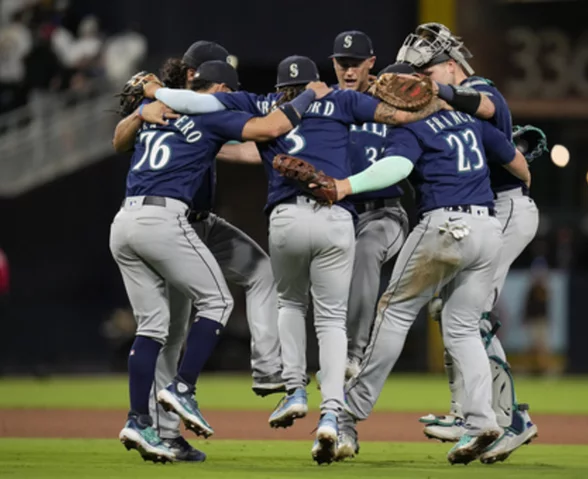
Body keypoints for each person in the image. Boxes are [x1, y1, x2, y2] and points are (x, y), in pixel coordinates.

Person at [153, 54, 444, 464]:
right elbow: (398, 115)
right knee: (330, 319)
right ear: (317, 81)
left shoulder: (265, 104)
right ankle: (331, 413)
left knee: (290, 303)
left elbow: (201, 104)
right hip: (336, 217)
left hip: (287, 218)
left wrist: (155, 92)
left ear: (281, 87)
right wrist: (439, 101)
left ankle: (293, 389)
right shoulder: (341, 101)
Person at [315, 62, 532, 464]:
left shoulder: (412, 127)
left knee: (394, 312)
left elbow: (396, 168)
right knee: (463, 328)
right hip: (487, 229)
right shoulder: (470, 124)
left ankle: (349, 412)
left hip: (444, 226)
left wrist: (346, 185)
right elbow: (519, 165)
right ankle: (481, 419)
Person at [112, 60, 318, 463]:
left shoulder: (161, 114)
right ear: (221, 87)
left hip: (124, 222)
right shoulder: (210, 115)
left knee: (154, 327)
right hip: (166, 222)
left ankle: (139, 420)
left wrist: (139, 110)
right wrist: (312, 94)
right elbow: (273, 128)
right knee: (218, 303)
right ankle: (182, 388)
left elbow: (119, 141)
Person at [398, 23, 539, 463]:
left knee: (469, 317)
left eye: (428, 71)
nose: (424, 80)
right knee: (452, 312)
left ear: (451, 65)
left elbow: (485, 102)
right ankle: (469, 414)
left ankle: (510, 419)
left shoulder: (477, 86)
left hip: (505, 208)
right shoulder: (442, 103)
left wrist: (444, 94)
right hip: (484, 212)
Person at [330, 30, 409, 379]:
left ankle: (353, 352)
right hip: (339, 214)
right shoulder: (325, 105)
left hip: (384, 212)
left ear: (371, 64)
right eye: (342, 64)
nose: (349, 71)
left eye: (356, 65)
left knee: (366, 251)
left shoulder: (392, 102)